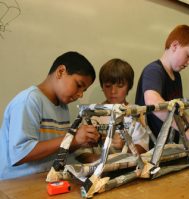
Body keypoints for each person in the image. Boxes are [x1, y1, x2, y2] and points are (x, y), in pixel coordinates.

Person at [0, 51, 100, 180]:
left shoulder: (62, 106)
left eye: (84, 90)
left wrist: (81, 143)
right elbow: (20, 154)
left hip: (47, 178)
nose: (80, 95)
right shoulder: (29, 100)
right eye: (79, 85)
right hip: (17, 184)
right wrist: (72, 139)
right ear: (60, 72)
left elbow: (57, 148)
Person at [135, 24, 189, 149]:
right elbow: (153, 103)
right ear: (175, 46)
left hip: (168, 147)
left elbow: (178, 109)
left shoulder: (176, 76)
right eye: (188, 55)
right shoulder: (154, 71)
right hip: (150, 150)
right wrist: (187, 133)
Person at [75, 58, 148, 163]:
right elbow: (81, 153)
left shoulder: (136, 112)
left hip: (129, 171)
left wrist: (125, 145)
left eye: (120, 86)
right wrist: (102, 162)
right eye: (108, 86)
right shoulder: (91, 113)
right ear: (102, 86)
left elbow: (143, 149)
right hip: (97, 172)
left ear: (129, 86)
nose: (113, 91)